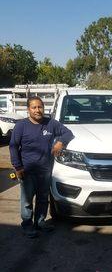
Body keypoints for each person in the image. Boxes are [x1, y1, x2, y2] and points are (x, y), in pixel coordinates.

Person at [9, 96, 74, 238]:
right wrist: (18, 167)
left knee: (43, 198)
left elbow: (68, 133)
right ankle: (27, 225)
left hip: (45, 170)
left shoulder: (51, 123)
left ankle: (40, 222)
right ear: (28, 110)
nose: (37, 110)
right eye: (34, 107)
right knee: (27, 201)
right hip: (27, 170)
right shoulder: (21, 126)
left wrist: (60, 142)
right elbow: (13, 147)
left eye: (40, 107)